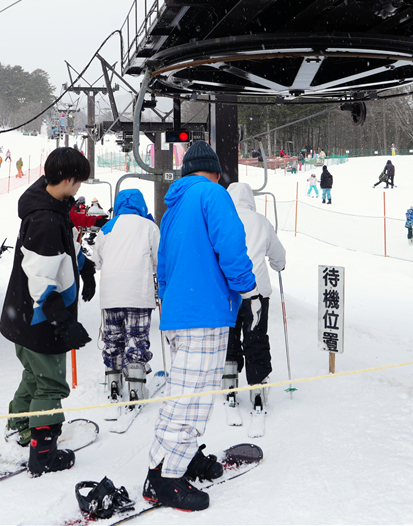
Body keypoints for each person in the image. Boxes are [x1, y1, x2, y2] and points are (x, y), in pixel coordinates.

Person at [145, 141, 258, 511]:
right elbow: (231, 245)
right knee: (191, 399)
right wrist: (246, 287)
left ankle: (185, 455)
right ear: (215, 171)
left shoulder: (174, 207)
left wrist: (168, 300)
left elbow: (162, 262)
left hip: (180, 312)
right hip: (205, 312)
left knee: (184, 390)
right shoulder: (213, 194)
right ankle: (165, 477)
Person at [0, 147, 95, 476]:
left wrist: (85, 267)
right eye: (79, 181)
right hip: (40, 318)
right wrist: (62, 320)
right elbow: (41, 278)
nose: (80, 187)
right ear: (67, 180)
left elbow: (58, 256)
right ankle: (43, 451)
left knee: (34, 375)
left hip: (22, 316)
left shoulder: (50, 207)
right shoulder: (45, 220)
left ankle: (19, 426)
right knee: (51, 384)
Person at [93, 189, 160, 412]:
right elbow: (160, 258)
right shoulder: (149, 226)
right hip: (138, 292)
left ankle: (114, 385)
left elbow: (97, 261)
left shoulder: (107, 228)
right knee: (137, 338)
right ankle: (136, 389)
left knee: (113, 338)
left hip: (111, 293)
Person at [225, 183, 286, 412]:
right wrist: (278, 265)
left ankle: (228, 385)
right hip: (257, 292)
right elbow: (278, 253)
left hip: (229, 292)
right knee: (255, 337)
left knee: (229, 337)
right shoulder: (261, 221)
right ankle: (258, 387)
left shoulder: (223, 219)